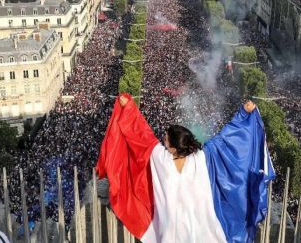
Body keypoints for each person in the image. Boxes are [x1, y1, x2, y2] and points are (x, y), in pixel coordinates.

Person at [96, 94, 275, 243]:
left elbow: (140, 134)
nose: (163, 140)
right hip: (203, 231)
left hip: (169, 231)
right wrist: (243, 113)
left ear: (173, 146)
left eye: (165, 139)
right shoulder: (202, 158)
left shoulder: (160, 159)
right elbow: (227, 138)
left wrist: (128, 108)